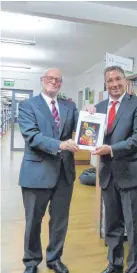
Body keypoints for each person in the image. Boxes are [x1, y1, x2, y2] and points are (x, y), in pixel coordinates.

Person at [86, 66, 137, 273]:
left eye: (117, 79)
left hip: (130, 175)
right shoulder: (100, 106)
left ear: (126, 81)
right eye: (109, 80)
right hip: (107, 175)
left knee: (133, 227)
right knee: (112, 225)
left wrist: (112, 149)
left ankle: (134, 268)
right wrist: (87, 117)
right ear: (105, 84)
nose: (114, 84)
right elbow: (90, 135)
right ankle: (114, 265)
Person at [18, 68, 79, 273]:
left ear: (61, 84)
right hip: (36, 173)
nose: (54, 82)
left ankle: (54, 259)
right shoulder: (27, 105)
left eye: (58, 80)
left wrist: (90, 112)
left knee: (60, 221)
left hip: (64, 173)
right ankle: (31, 262)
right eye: (50, 78)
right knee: (33, 221)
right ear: (42, 80)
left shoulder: (70, 106)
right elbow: (31, 136)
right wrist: (60, 145)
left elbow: (83, 129)